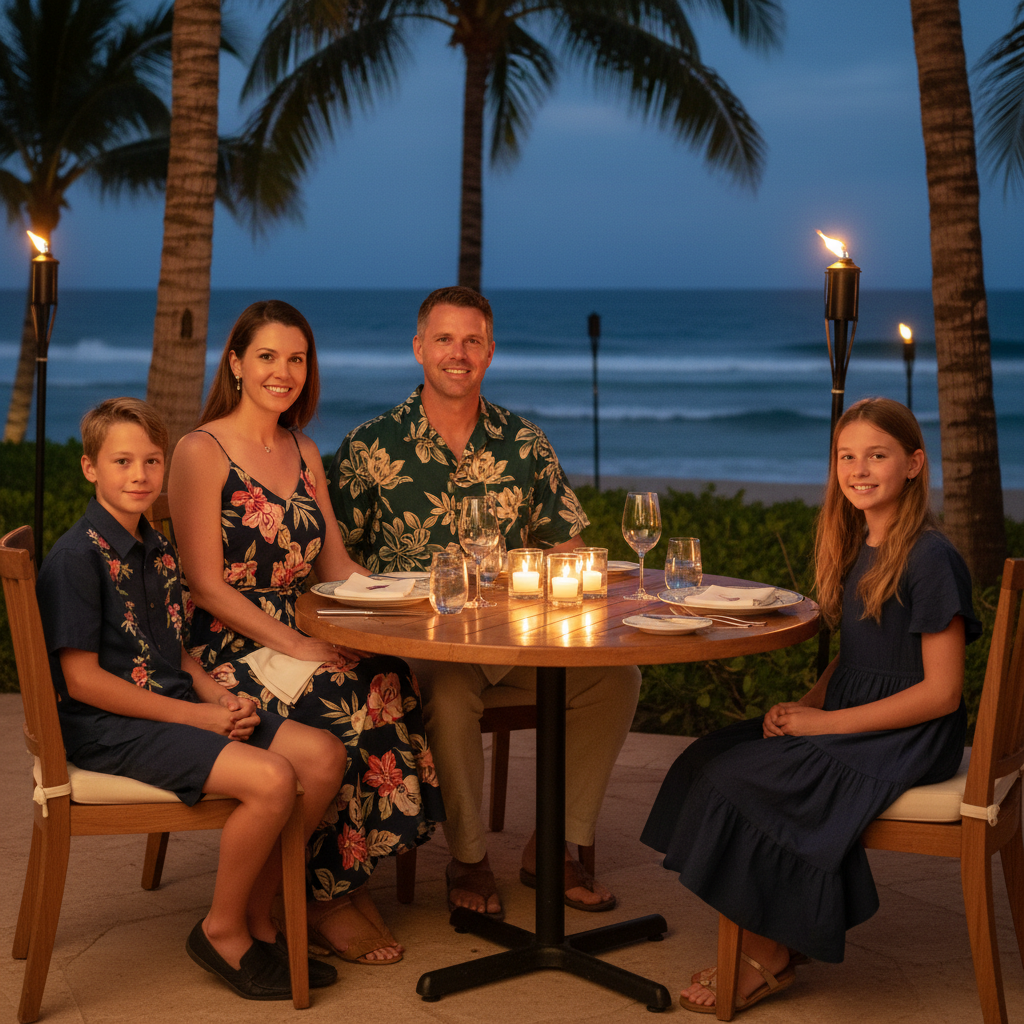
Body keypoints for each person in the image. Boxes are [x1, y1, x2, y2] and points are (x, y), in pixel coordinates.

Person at [641, 397, 982, 1014]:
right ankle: (784, 927)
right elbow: (857, 658)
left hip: (911, 735)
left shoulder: (930, 557)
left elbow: (941, 693)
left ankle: (767, 951)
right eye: (846, 457)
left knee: (736, 780)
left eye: (876, 455)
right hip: (858, 716)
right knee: (708, 757)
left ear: (914, 464)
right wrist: (802, 707)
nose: (859, 470)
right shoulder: (860, 542)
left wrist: (824, 725)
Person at [329, 285, 641, 919]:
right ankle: (468, 858)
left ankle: (552, 845)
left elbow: (569, 550)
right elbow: (335, 563)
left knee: (616, 679)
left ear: (490, 352)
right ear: (419, 348)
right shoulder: (369, 447)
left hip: (511, 641)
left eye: (472, 340)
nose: (459, 353)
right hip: (421, 652)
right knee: (447, 697)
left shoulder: (524, 443)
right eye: (444, 339)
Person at [36, 397, 347, 1000]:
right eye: (121, 461)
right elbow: (83, 683)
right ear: (90, 467)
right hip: (110, 729)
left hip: (174, 705)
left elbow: (175, 653)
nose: (139, 475)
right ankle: (221, 930)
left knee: (323, 756)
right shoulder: (77, 559)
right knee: (273, 780)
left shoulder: (155, 546)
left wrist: (221, 698)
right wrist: (198, 717)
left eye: (151, 461)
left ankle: (257, 915)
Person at [169, 301, 444, 966]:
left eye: (296, 359)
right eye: (267, 356)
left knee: (387, 675)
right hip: (224, 647)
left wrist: (412, 600)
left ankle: (339, 883)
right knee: (341, 694)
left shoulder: (302, 449)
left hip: (294, 631)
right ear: (236, 363)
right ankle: (320, 899)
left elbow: (337, 567)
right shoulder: (200, 451)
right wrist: (299, 646)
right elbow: (205, 585)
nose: (283, 372)